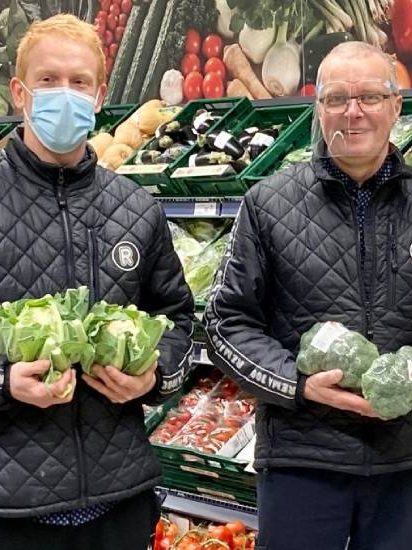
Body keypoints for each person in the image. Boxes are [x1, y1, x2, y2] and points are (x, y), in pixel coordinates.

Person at [204, 41, 412, 550]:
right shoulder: (268, 203)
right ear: (318, 109)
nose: (353, 111)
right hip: (303, 460)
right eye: (337, 97)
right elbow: (225, 321)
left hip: (405, 460)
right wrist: (298, 385)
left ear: (396, 107)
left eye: (369, 96)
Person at [0, 13, 194, 550]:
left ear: (101, 95)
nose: (65, 94)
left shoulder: (137, 209)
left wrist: (152, 377)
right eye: (48, 80)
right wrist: (4, 382)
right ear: (20, 93)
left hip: (121, 500)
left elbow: (178, 320)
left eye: (80, 82)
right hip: (12, 510)